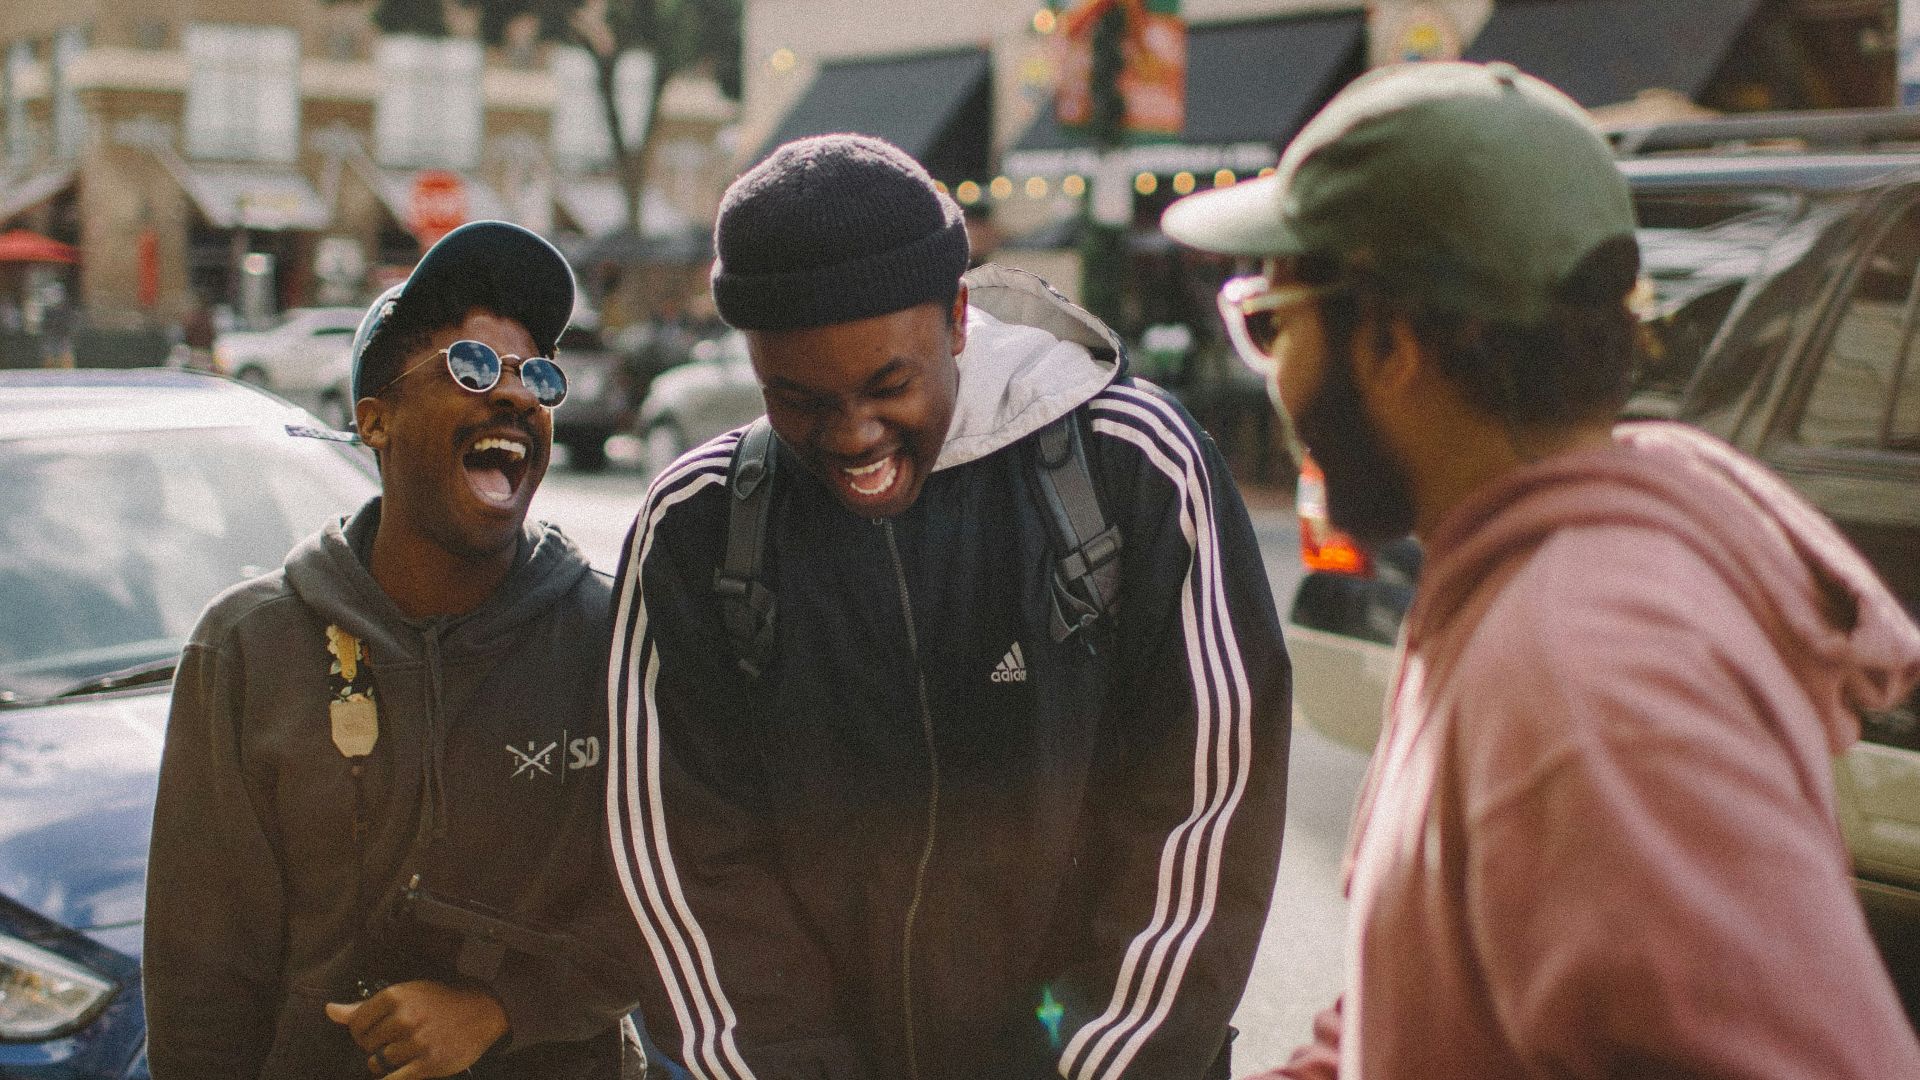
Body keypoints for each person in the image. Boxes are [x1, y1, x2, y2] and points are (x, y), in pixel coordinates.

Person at [1161, 61, 1920, 1079]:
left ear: (1392, 341)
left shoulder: (1582, 676)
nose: (1278, 383)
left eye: (1273, 325)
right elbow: (1436, 976)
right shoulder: (1531, 589)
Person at [607, 135, 1291, 1080]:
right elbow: (685, 867)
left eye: (890, 385)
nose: (853, 436)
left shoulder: (1135, 466)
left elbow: (1204, 815)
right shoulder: (694, 526)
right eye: (796, 399)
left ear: (960, 318)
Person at [145, 221, 642, 1079]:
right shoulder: (247, 650)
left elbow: (677, 906)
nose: (517, 397)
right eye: (473, 368)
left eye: (540, 377)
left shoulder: (611, 636)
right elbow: (202, 982)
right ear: (375, 422)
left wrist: (500, 1010)